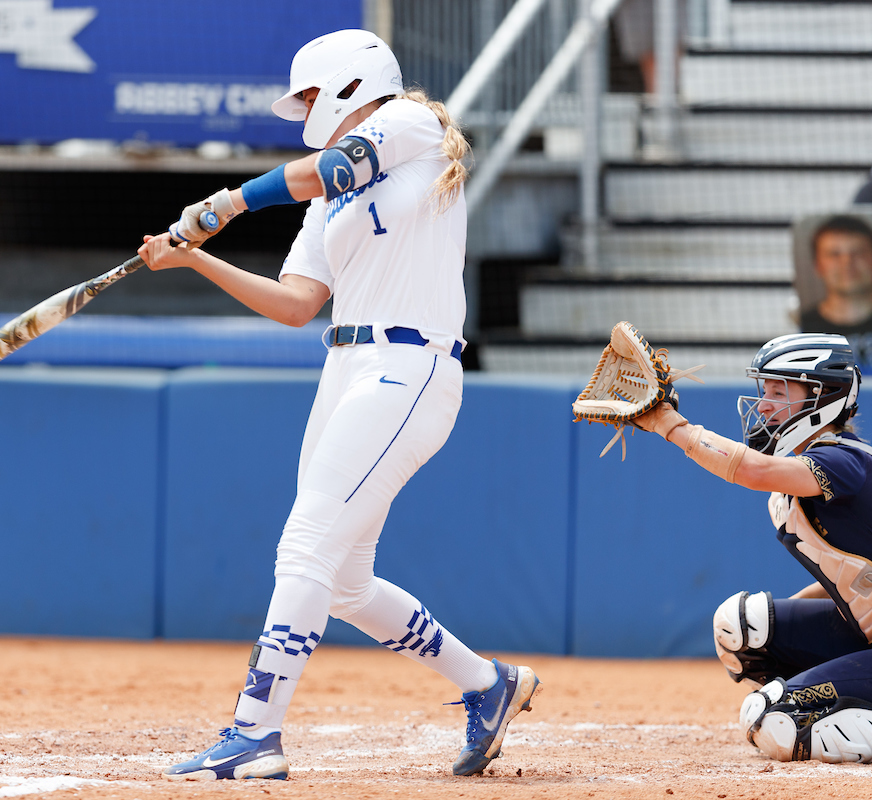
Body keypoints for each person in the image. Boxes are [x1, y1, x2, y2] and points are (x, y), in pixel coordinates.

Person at [137, 29, 539, 781]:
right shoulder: (327, 203)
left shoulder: (412, 127)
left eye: (314, 97)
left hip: (410, 363)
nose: (308, 112)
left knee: (305, 546)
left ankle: (255, 733)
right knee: (345, 580)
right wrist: (195, 255)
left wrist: (224, 203)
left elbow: (328, 167)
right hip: (345, 367)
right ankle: (488, 684)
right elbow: (296, 305)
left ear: (354, 84)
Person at [632, 333, 872, 763]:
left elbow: (753, 469)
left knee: (776, 724)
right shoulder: (801, 478)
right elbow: (852, 579)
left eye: (779, 390)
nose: (764, 404)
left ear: (824, 397)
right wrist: (791, 630)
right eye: (765, 389)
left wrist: (672, 426)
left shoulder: (843, 459)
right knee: (743, 626)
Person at [798, 215, 872, 337]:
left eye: (858, 252)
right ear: (818, 265)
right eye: (834, 254)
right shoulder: (800, 331)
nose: (847, 263)